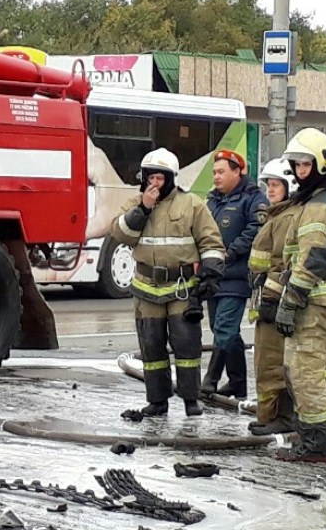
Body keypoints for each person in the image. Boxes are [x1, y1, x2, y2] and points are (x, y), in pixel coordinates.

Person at [110, 147, 225, 420]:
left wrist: (210, 272)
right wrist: (142, 209)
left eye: (160, 178)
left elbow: (211, 242)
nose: (154, 183)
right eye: (150, 177)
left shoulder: (192, 204)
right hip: (146, 288)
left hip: (181, 288)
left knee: (187, 347)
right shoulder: (136, 203)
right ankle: (157, 401)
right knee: (152, 347)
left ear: (171, 178)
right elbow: (119, 234)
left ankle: (190, 400)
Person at [273, 128, 326, 463]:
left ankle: (317, 446)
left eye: (305, 164)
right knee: (312, 369)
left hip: (313, 300)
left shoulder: (319, 206)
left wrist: (290, 299)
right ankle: (313, 439)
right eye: (295, 164)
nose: (298, 171)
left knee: (304, 372)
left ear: (322, 165)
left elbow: (314, 258)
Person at [203, 149, 267, 398]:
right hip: (214, 277)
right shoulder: (213, 200)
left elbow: (255, 230)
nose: (216, 177)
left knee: (225, 329)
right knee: (224, 331)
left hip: (237, 276)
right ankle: (238, 383)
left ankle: (210, 380)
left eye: (221, 172)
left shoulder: (253, 200)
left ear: (237, 172)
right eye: (214, 173)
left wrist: (229, 253)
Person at [245, 158, 298, 435]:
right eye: (268, 184)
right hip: (266, 298)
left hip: (274, 302)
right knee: (265, 360)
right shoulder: (276, 216)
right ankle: (270, 416)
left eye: (276, 184)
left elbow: (282, 264)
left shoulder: (287, 218)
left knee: (272, 362)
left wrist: (270, 298)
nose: (270, 190)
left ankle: (279, 417)